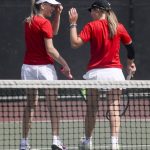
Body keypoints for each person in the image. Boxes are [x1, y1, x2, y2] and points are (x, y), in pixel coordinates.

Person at [68, 0, 136, 150]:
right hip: (115, 74)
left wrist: (73, 23)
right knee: (114, 108)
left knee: (92, 108)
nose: (90, 13)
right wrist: (130, 64)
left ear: (98, 10)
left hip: (95, 75)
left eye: (92, 10)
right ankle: (114, 143)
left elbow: (74, 43)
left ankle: (87, 142)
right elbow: (131, 49)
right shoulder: (119, 27)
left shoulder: (91, 26)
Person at [20, 0, 72, 150]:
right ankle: (56, 140)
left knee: (30, 105)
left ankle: (24, 143)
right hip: (45, 69)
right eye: (51, 5)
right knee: (53, 105)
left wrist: (58, 14)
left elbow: (53, 32)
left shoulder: (28, 22)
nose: (54, 7)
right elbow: (50, 49)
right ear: (43, 5)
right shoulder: (44, 23)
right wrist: (65, 64)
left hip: (28, 68)